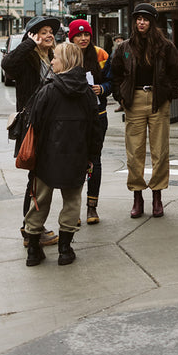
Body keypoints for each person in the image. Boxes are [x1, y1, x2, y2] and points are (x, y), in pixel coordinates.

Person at [23, 41, 102, 267]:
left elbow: (34, 125)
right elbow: (95, 129)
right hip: (77, 157)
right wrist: (91, 156)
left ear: (65, 61)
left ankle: (33, 251)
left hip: (46, 158)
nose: (52, 60)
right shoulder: (87, 93)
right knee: (72, 201)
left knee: (39, 201)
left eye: (55, 57)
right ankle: (65, 250)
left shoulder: (48, 90)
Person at [111, 2, 178, 219]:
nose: (141, 22)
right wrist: (121, 96)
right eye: (138, 19)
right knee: (134, 152)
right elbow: (114, 74)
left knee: (160, 151)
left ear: (152, 22)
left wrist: (168, 94)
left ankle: (157, 195)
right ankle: (137, 196)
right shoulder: (125, 47)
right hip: (133, 100)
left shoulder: (165, 46)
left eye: (145, 19)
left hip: (157, 100)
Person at [1, 15, 61, 250]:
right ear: (33, 35)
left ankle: (34, 226)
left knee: (44, 177)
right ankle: (30, 230)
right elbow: (7, 66)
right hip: (33, 126)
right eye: (42, 31)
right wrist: (28, 43)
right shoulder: (28, 59)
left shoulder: (55, 57)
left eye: (50, 31)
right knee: (36, 178)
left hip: (52, 125)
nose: (48, 35)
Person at [67, 19, 111, 225]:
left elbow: (113, 80)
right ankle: (72, 211)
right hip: (73, 117)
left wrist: (102, 89)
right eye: (78, 35)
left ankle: (92, 207)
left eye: (86, 35)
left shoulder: (101, 55)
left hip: (97, 116)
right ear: (71, 37)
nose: (83, 39)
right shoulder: (65, 55)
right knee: (74, 162)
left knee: (95, 161)